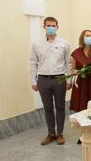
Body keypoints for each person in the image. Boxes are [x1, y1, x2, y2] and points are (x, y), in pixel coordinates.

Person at [30, 17, 72, 146]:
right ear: (44, 27)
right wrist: (34, 80)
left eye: (53, 25)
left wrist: (69, 79)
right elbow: (33, 62)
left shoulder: (64, 43)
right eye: (48, 25)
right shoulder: (37, 44)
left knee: (60, 107)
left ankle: (60, 134)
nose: (51, 28)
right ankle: (50, 133)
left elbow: (69, 63)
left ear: (57, 27)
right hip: (43, 79)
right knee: (47, 108)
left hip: (59, 78)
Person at [70, 30, 91, 143]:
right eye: (87, 36)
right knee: (82, 108)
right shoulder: (76, 52)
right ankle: (83, 134)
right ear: (82, 38)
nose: (89, 37)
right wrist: (80, 72)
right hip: (81, 83)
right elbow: (73, 69)